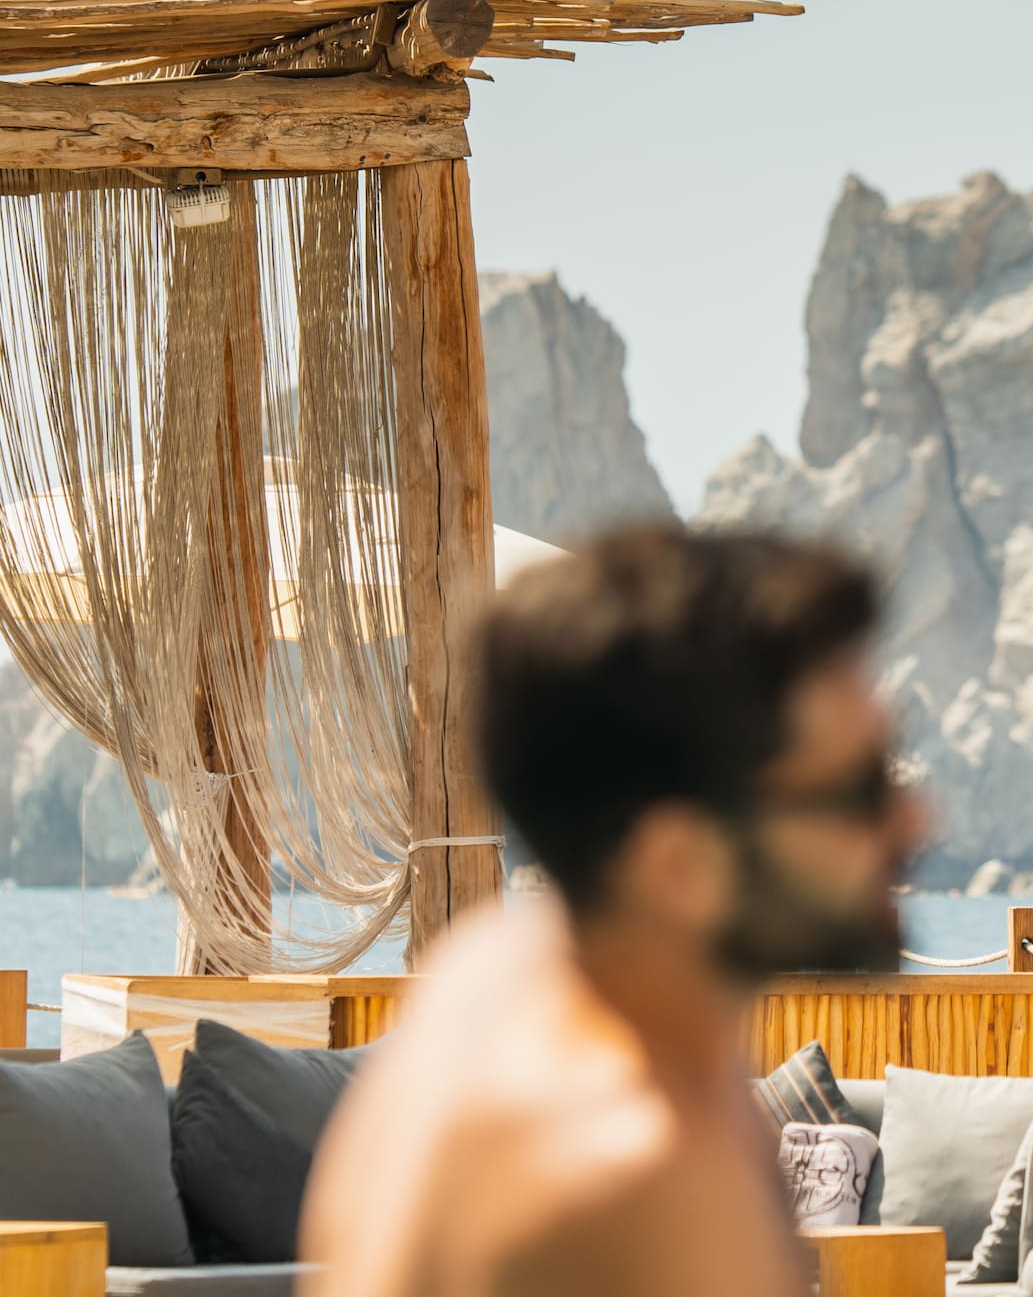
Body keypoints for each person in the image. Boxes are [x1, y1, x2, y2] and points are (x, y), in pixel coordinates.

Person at [302, 525, 924, 1297]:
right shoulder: (649, 1176)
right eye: (861, 792)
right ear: (678, 863)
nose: (916, 819)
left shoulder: (488, 973)